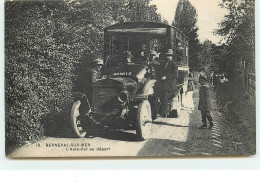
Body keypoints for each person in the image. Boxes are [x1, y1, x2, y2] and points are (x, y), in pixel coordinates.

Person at [161, 49, 178, 117]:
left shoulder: (174, 65)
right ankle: (164, 111)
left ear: (172, 57)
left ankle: (165, 113)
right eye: (167, 55)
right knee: (164, 98)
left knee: (166, 98)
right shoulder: (165, 63)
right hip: (165, 83)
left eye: (169, 56)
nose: (168, 57)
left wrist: (166, 77)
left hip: (170, 84)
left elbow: (175, 75)